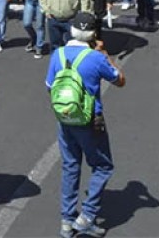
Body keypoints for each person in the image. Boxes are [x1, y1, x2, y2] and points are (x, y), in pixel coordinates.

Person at [46, 12, 125, 238]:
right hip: (90, 120)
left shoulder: (57, 54)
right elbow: (120, 80)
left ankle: (67, 219)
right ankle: (87, 216)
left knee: (70, 166)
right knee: (103, 166)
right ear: (92, 34)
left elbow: (50, 87)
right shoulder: (95, 57)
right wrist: (105, 54)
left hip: (65, 118)